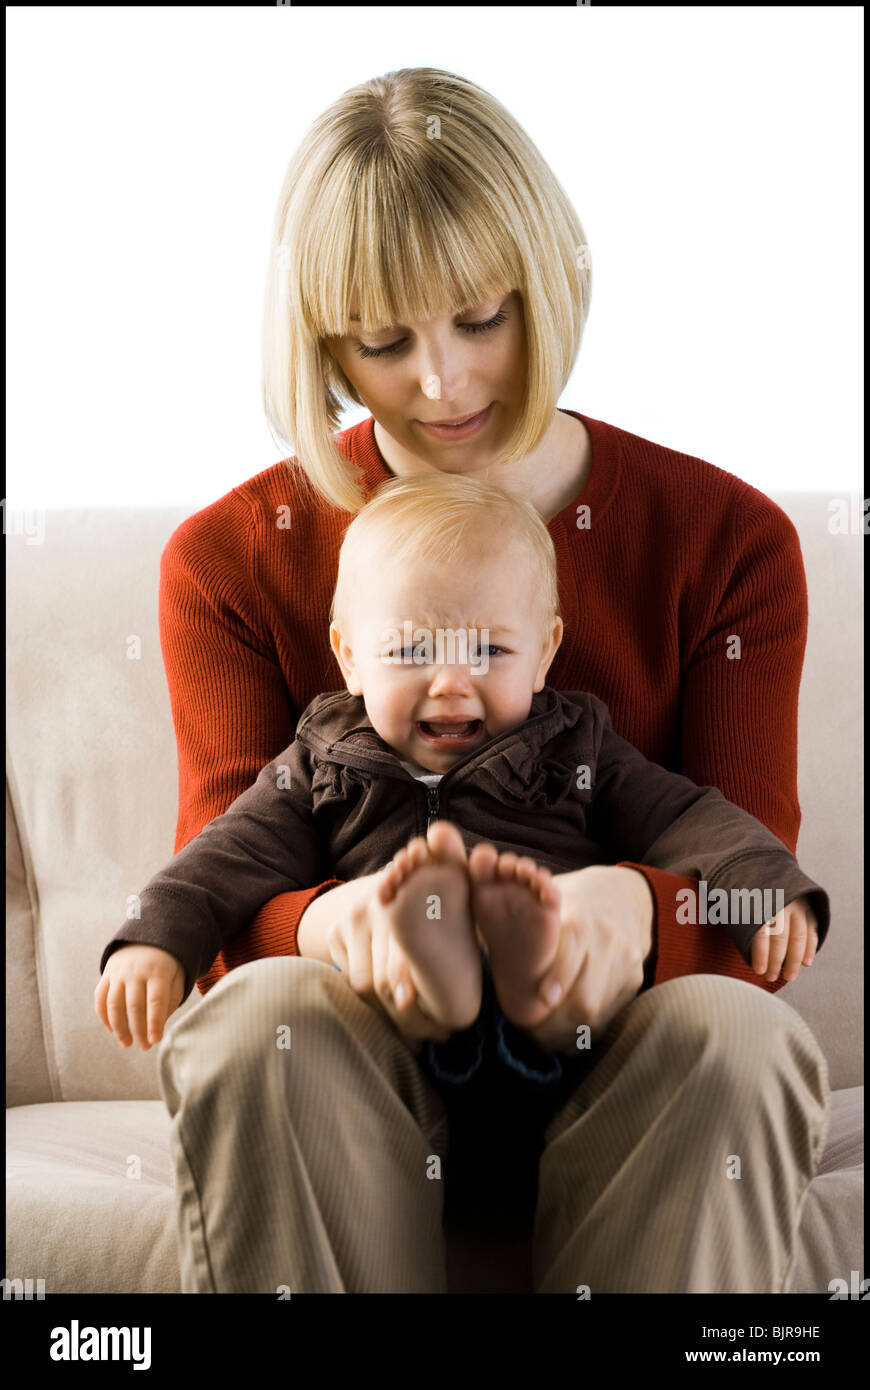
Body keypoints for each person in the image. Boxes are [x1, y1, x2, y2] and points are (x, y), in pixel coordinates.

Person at [94, 67, 831, 1293]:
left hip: (616, 1061)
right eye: (383, 342)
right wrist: (345, 927)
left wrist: (631, 917)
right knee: (263, 1021)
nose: (440, 384)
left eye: (481, 318)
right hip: (364, 1076)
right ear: (323, 341)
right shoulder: (229, 565)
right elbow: (226, 885)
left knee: (736, 1035)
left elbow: (748, 883)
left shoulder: (726, 545)